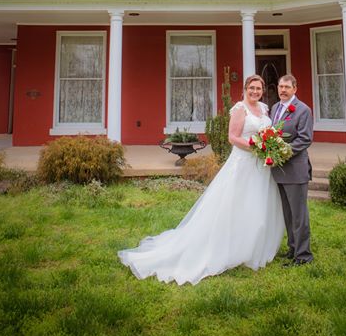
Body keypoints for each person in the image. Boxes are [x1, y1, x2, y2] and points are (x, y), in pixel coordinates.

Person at [118, 74, 284, 285]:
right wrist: (256, 145)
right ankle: (229, 247)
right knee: (235, 206)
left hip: (261, 165)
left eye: (258, 88)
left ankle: (254, 246)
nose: (255, 92)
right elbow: (232, 137)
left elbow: (267, 130)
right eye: (251, 88)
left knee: (257, 205)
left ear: (263, 90)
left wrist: (268, 145)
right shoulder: (239, 109)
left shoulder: (264, 109)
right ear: (245, 89)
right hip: (243, 163)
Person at [270, 74, 313, 265]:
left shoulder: (303, 110)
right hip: (279, 171)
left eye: (287, 87)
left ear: (295, 89)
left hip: (295, 170)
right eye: (280, 86)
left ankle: (304, 256)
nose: (283, 90)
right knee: (288, 214)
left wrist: (282, 152)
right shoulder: (275, 108)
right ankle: (293, 248)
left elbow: (305, 138)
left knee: (299, 215)